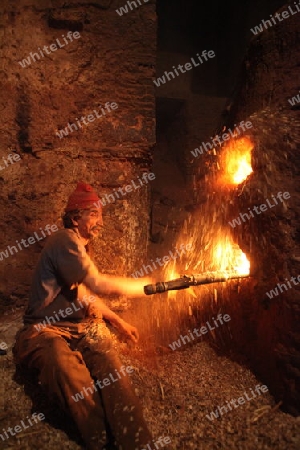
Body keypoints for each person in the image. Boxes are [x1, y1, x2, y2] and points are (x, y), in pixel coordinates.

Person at [13, 182, 153, 450]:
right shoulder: (64, 241)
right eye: (94, 214)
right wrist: (145, 286)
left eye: (101, 214)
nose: (101, 221)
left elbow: (88, 295)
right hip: (45, 330)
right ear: (76, 218)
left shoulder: (81, 248)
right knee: (69, 372)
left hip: (81, 326)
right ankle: (100, 441)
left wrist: (118, 321)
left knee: (113, 370)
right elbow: (98, 284)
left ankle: (136, 441)